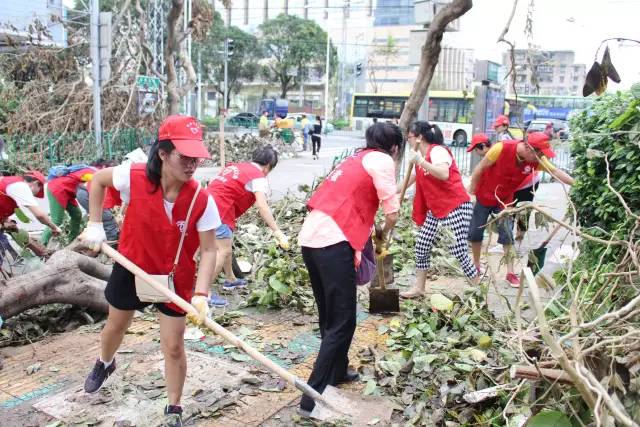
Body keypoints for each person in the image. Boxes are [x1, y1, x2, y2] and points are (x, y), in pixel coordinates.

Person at [79, 115, 220, 427]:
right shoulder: (134, 176)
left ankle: (174, 409)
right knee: (116, 326)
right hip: (133, 266)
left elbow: (210, 250)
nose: (191, 166)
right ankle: (105, 362)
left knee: (173, 345)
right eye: (184, 158)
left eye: (196, 159)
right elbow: (98, 181)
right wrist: (94, 224)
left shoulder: (201, 198)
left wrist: (201, 294)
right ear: (163, 154)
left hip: (173, 277)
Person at [297, 122, 401, 415]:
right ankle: (311, 398)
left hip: (311, 238)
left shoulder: (355, 157)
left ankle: (338, 370)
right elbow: (392, 212)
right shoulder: (382, 160)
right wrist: (383, 233)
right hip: (334, 241)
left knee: (330, 316)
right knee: (343, 321)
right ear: (394, 147)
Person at [467, 132, 574, 287]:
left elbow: (555, 172)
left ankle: (510, 273)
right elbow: (480, 168)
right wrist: (472, 191)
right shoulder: (500, 148)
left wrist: (577, 185)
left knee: (507, 235)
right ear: (530, 149)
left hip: (505, 200)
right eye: (541, 153)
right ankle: (476, 266)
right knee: (476, 234)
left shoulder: (536, 160)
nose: (543, 157)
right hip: (484, 195)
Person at [400, 121, 478, 298]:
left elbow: (443, 174)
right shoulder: (421, 159)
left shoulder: (437, 151)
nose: (408, 141)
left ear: (419, 137)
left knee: (457, 251)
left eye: (410, 137)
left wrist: (420, 160)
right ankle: (419, 288)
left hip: (455, 206)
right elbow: (406, 183)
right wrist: (388, 194)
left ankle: (477, 289)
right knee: (422, 244)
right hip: (435, 210)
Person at [206, 145, 289, 306]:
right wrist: (277, 231)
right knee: (222, 251)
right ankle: (203, 293)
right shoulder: (258, 177)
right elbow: (262, 207)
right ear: (268, 166)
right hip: (219, 210)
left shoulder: (236, 166)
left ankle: (230, 279)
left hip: (205, 203)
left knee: (226, 246)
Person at [0, 171, 61, 256]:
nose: (33, 195)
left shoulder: (12, 183)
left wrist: (5, 220)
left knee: (18, 233)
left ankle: (43, 253)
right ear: (35, 183)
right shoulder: (20, 186)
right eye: (39, 190)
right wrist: (54, 227)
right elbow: (39, 215)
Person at [41, 163, 102, 245]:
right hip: (57, 190)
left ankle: (71, 241)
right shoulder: (91, 173)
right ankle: (42, 245)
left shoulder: (90, 170)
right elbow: (94, 186)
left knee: (77, 214)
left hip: (67, 192)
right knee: (56, 221)